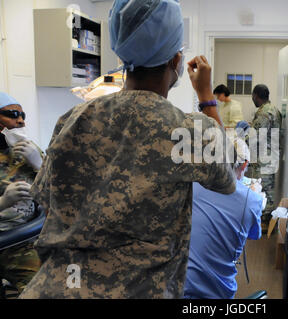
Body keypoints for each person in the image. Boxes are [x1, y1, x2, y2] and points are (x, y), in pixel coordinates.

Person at [19, 0, 235, 299]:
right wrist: (206, 96)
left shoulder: (72, 119)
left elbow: (44, 196)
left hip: (55, 287)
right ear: (175, 60)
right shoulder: (188, 130)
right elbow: (227, 178)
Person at [184, 137, 262, 299]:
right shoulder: (252, 199)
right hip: (216, 293)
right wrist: (252, 196)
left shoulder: (193, 183)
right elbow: (254, 235)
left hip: (177, 284)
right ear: (245, 164)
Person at [0, 92, 43, 298]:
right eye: (12, 114)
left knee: (44, 290)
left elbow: (62, 194)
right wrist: (3, 202)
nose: (20, 120)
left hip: (22, 243)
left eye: (22, 115)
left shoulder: (29, 150)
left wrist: (41, 165)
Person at [246, 84, 282, 231]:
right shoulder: (275, 110)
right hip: (271, 154)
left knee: (262, 189)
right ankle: (266, 222)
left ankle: (264, 223)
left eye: (252, 96)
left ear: (256, 95)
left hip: (263, 157)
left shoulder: (263, 112)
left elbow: (255, 136)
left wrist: (241, 141)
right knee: (269, 188)